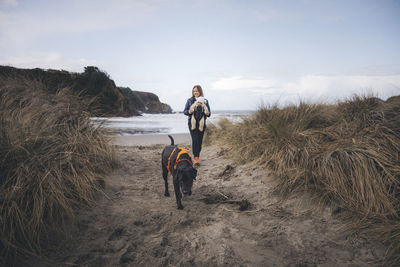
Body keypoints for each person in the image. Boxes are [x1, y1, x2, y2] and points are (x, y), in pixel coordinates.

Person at [183, 85, 211, 165]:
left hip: (201, 124)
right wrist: (189, 112)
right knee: (195, 140)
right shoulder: (190, 100)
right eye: (194, 91)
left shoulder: (205, 101)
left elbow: (209, 114)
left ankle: (197, 156)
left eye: (197, 91)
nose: (195, 92)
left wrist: (207, 113)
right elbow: (185, 111)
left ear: (200, 92)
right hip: (192, 123)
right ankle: (196, 158)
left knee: (199, 141)